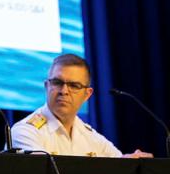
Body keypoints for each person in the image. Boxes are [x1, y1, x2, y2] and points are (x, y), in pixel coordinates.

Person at [11, 53, 152, 158]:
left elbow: (118, 166)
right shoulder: (24, 132)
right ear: (47, 86)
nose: (64, 91)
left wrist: (130, 162)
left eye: (74, 85)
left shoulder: (90, 136)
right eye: (57, 83)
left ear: (87, 94)